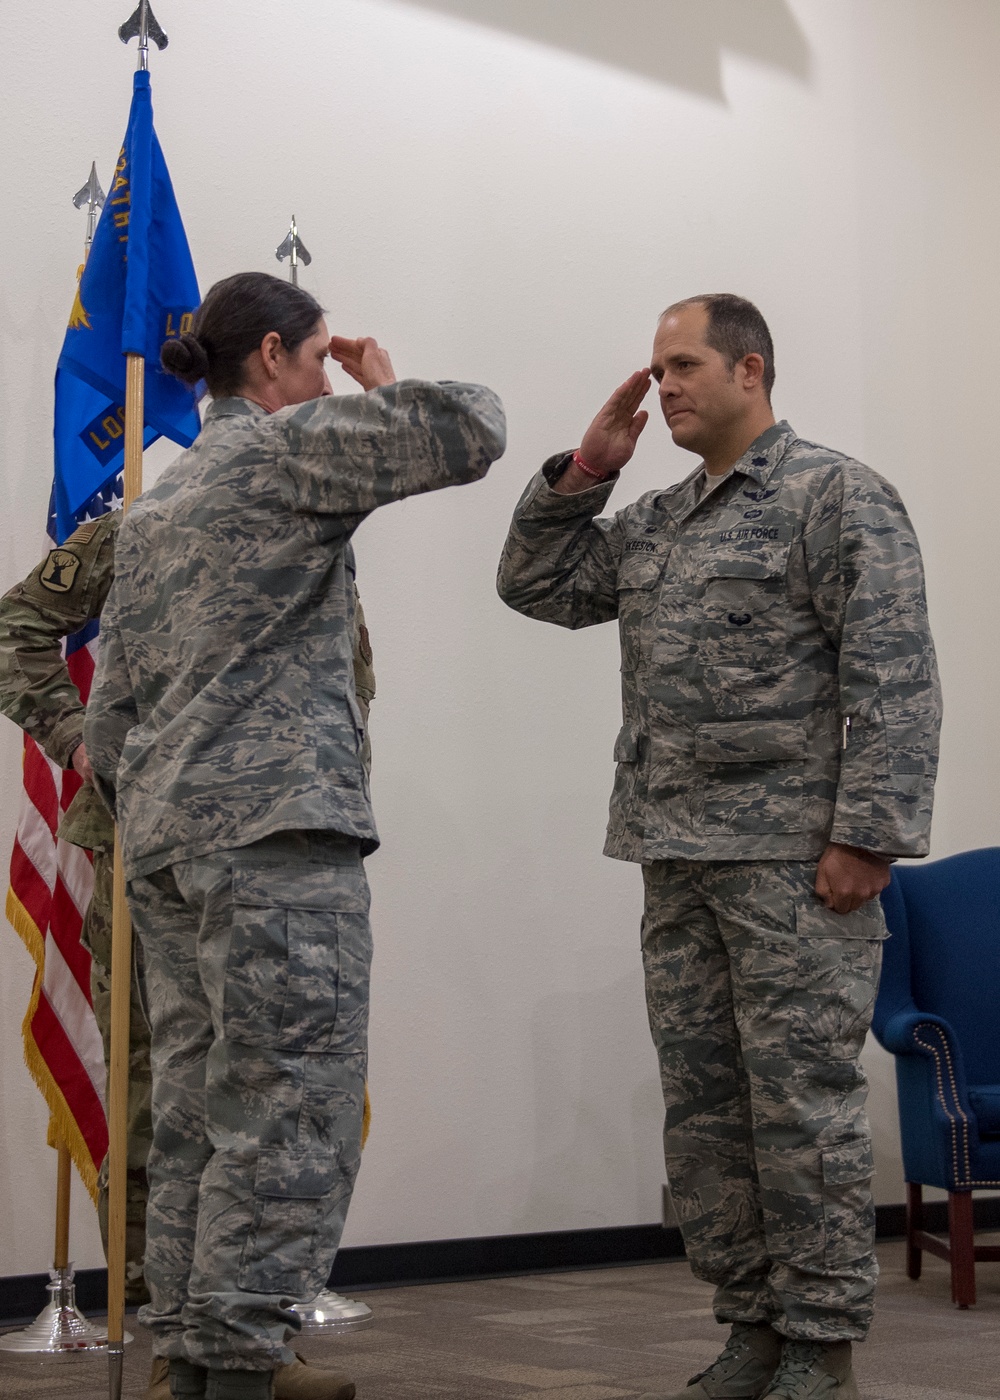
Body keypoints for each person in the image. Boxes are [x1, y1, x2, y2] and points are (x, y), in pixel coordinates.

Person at [497, 294, 941, 1400]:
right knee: (707, 1111)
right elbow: (536, 585)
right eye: (656, 369)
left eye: (684, 364)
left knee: (800, 1104)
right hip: (675, 855)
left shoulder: (835, 495)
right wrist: (585, 470)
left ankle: (819, 1343)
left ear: (752, 369)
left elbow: (893, 676)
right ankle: (749, 1320)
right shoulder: (653, 521)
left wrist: (867, 838)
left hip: (796, 866)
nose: (664, 386)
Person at [84, 270, 505, 1400]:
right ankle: (236, 1367)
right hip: (275, 839)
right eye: (316, 356)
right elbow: (473, 427)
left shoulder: (153, 505)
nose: (327, 375)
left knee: (193, 1109)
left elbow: (108, 719)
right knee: (288, 1108)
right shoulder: (284, 452)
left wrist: (167, 814)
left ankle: (187, 1348)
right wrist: (382, 377)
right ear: (270, 358)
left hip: (169, 845)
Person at [0, 511, 380, 1399]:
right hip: (149, 856)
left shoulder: (315, 525)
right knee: (162, 1101)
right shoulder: (146, 524)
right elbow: (16, 628)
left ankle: (247, 1334)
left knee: (269, 1099)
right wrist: (78, 740)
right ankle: (169, 1336)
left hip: (280, 853)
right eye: (316, 361)